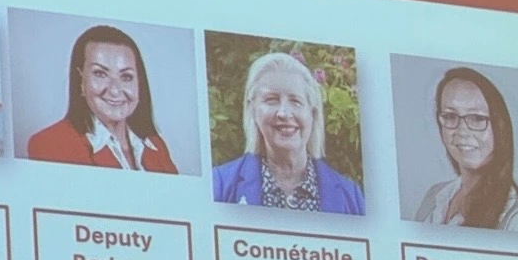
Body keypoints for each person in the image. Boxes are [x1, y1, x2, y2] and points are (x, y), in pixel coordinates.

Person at [212, 51, 363, 214]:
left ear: (312, 113)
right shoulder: (218, 185)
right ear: (252, 109)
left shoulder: (350, 196)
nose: (284, 113)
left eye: (295, 101)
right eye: (271, 100)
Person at [27, 25, 178, 172]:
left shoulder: (156, 145)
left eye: (126, 76)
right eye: (100, 74)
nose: (115, 90)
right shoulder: (49, 144)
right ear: (81, 81)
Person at [414, 67, 518, 233]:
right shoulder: (434, 197)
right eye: (450, 116)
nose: (462, 131)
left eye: (477, 118)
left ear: (500, 127)